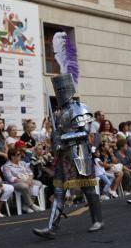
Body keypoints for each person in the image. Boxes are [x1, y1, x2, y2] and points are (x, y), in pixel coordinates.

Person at [33, 74, 103, 239]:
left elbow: (84, 132)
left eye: (63, 89)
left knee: (88, 188)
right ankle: (51, 227)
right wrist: (55, 139)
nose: (61, 92)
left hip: (79, 153)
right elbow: (57, 134)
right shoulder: (59, 113)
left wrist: (62, 138)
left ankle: (97, 220)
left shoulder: (79, 108)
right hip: (64, 155)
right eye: (58, 90)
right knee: (59, 190)